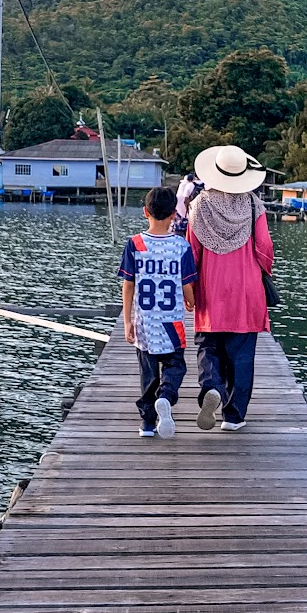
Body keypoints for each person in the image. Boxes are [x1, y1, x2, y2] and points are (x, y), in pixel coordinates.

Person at [186, 144, 273, 431]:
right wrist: (262, 271)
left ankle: (212, 387)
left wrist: (189, 286)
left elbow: (191, 252)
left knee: (208, 345)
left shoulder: (198, 205)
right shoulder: (253, 205)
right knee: (242, 354)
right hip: (247, 291)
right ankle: (234, 416)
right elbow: (265, 248)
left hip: (211, 288)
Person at [118, 186, 197, 438]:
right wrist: (191, 301)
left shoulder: (135, 244)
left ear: (145, 212)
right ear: (175, 214)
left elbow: (128, 284)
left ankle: (148, 424)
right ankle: (166, 396)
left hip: (144, 322)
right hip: (171, 322)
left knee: (148, 373)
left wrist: (127, 320)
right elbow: (186, 284)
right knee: (175, 367)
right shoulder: (181, 246)